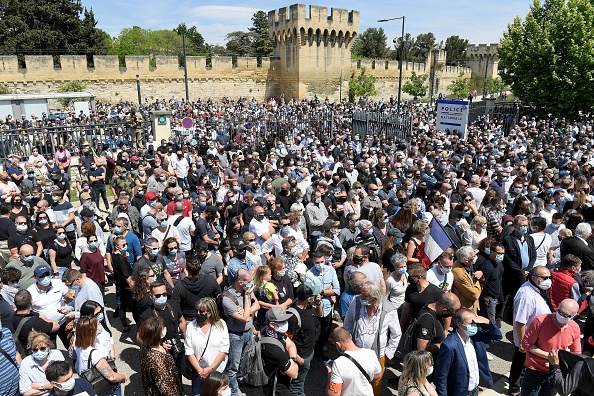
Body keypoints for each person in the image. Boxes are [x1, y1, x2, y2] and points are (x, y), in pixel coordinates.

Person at [343, 281, 401, 396]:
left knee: (375, 383)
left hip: (377, 356)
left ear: (375, 298)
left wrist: (388, 354)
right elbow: (348, 323)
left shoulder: (389, 310)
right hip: (356, 353)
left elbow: (396, 334)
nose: (361, 297)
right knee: (354, 381)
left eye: (365, 295)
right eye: (361, 293)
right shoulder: (356, 301)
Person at [434, 308, 502, 396]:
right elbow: (441, 376)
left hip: (474, 390)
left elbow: (497, 337)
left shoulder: (476, 336)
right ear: (459, 324)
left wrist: (488, 323)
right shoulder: (449, 345)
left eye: (475, 323)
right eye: (471, 323)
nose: (474, 326)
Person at [520, 299, 581, 396]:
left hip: (555, 373)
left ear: (574, 316)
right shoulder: (540, 321)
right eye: (560, 312)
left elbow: (576, 353)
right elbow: (526, 343)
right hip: (535, 370)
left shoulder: (575, 328)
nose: (561, 316)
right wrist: (549, 356)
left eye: (566, 315)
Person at [508, 266, 553, 396]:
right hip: (527, 339)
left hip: (537, 337)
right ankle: (514, 388)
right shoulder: (526, 295)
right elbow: (521, 321)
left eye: (549, 277)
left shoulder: (538, 288)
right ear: (534, 278)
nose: (548, 280)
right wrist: (523, 343)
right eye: (545, 278)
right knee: (520, 363)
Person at [221, 268, 260, 396]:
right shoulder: (228, 298)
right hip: (235, 336)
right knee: (233, 366)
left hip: (248, 332)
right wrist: (247, 299)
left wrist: (244, 309)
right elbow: (245, 318)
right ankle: (233, 391)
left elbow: (258, 305)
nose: (252, 284)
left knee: (244, 359)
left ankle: (240, 379)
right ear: (241, 282)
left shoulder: (247, 289)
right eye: (249, 281)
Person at [138, 281, 187, 380]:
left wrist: (187, 339)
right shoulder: (146, 315)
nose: (162, 297)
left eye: (164, 294)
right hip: (159, 353)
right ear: (151, 296)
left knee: (177, 374)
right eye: (158, 295)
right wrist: (157, 345)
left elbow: (182, 321)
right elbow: (140, 338)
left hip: (176, 347)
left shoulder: (173, 304)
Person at [184, 297, 229, 396]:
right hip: (198, 372)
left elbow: (224, 349)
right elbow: (189, 350)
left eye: (202, 312)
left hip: (216, 371)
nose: (198, 314)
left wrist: (210, 369)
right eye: (197, 311)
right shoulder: (191, 326)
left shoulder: (221, 325)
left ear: (210, 312)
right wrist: (200, 371)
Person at [73, 316, 127, 396]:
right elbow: (111, 377)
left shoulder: (78, 344)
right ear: (91, 331)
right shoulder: (95, 354)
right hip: (106, 389)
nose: (100, 326)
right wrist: (123, 377)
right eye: (98, 324)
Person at [288, 283, 322, 396]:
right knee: (296, 385)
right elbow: (287, 340)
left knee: (301, 382)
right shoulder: (293, 316)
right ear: (308, 298)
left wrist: (318, 303)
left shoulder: (306, 306)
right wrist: (298, 358)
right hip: (301, 355)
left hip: (309, 351)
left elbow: (319, 314)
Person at [326, 327, 382, 396]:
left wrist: (330, 373)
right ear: (350, 336)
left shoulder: (338, 364)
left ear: (338, 344)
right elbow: (378, 375)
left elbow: (333, 394)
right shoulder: (371, 353)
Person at [306, 251, 340, 358]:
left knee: (325, 332)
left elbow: (337, 290)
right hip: (315, 309)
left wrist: (321, 292)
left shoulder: (331, 270)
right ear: (313, 261)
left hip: (328, 307)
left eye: (322, 261)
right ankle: (311, 354)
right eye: (317, 262)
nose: (320, 264)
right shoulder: (309, 274)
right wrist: (328, 290)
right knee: (314, 333)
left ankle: (318, 351)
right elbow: (310, 293)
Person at [137, 316, 184, 396]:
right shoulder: (158, 361)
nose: (165, 329)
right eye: (163, 328)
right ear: (159, 334)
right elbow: (166, 389)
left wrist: (161, 346)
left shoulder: (145, 347)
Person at [260, 306, 299, 396]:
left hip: (279, 375)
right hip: (276, 386)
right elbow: (294, 374)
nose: (286, 323)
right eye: (283, 321)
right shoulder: (273, 350)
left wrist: (292, 360)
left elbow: (291, 344)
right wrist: (293, 364)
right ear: (272, 324)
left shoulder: (272, 332)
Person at [172, 255, 221, 323]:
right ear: (200, 266)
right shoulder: (210, 280)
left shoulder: (179, 286)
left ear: (186, 269)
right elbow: (219, 296)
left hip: (189, 320)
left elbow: (175, 305)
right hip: (208, 317)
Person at [12, 290, 60, 354]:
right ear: (31, 302)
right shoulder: (35, 322)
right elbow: (56, 325)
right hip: (40, 351)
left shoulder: (14, 316)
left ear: (15, 303)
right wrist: (45, 319)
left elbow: (38, 315)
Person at [19, 331, 65, 396]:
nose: (39, 352)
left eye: (42, 348)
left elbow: (64, 380)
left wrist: (40, 386)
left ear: (48, 346)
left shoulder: (57, 355)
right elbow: (26, 392)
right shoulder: (26, 363)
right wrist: (48, 386)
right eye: (35, 349)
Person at [400, 264, 443, 329]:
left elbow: (444, 311)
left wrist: (445, 330)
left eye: (411, 276)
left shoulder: (437, 292)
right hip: (413, 326)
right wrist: (401, 324)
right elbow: (407, 307)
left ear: (419, 277)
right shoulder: (410, 289)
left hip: (429, 327)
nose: (409, 278)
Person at [452, 246, 483, 312]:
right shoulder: (459, 274)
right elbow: (474, 294)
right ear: (465, 260)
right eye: (473, 257)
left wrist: (481, 273)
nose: (475, 258)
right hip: (466, 310)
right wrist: (477, 281)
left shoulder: (467, 264)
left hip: (472, 307)